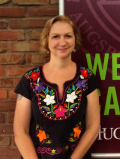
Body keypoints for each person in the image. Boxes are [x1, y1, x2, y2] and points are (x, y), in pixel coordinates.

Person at [13, 15, 100, 159]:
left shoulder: (87, 78)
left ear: (75, 40)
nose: (62, 42)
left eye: (68, 36)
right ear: (46, 41)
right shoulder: (30, 79)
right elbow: (20, 131)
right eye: (55, 37)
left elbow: (93, 127)